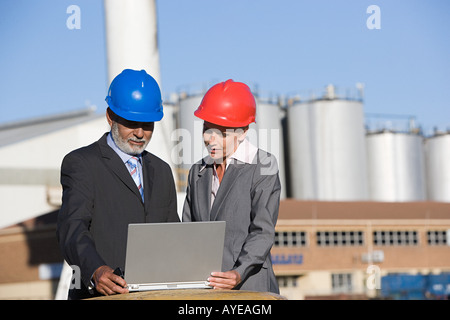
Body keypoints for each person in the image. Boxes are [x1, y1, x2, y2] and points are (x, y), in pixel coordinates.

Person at [57, 69, 179, 299]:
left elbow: (172, 234)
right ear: (110, 116)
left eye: (148, 124)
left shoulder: (162, 171)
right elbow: (71, 228)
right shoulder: (82, 164)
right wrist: (95, 270)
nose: (140, 133)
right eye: (132, 122)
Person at [182, 79, 281, 294]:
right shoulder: (197, 172)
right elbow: (188, 231)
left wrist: (238, 272)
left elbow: (262, 232)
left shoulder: (263, 167)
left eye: (222, 133)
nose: (211, 140)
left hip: (250, 287)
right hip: (205, 288)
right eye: (207, 129)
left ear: (243, 132)